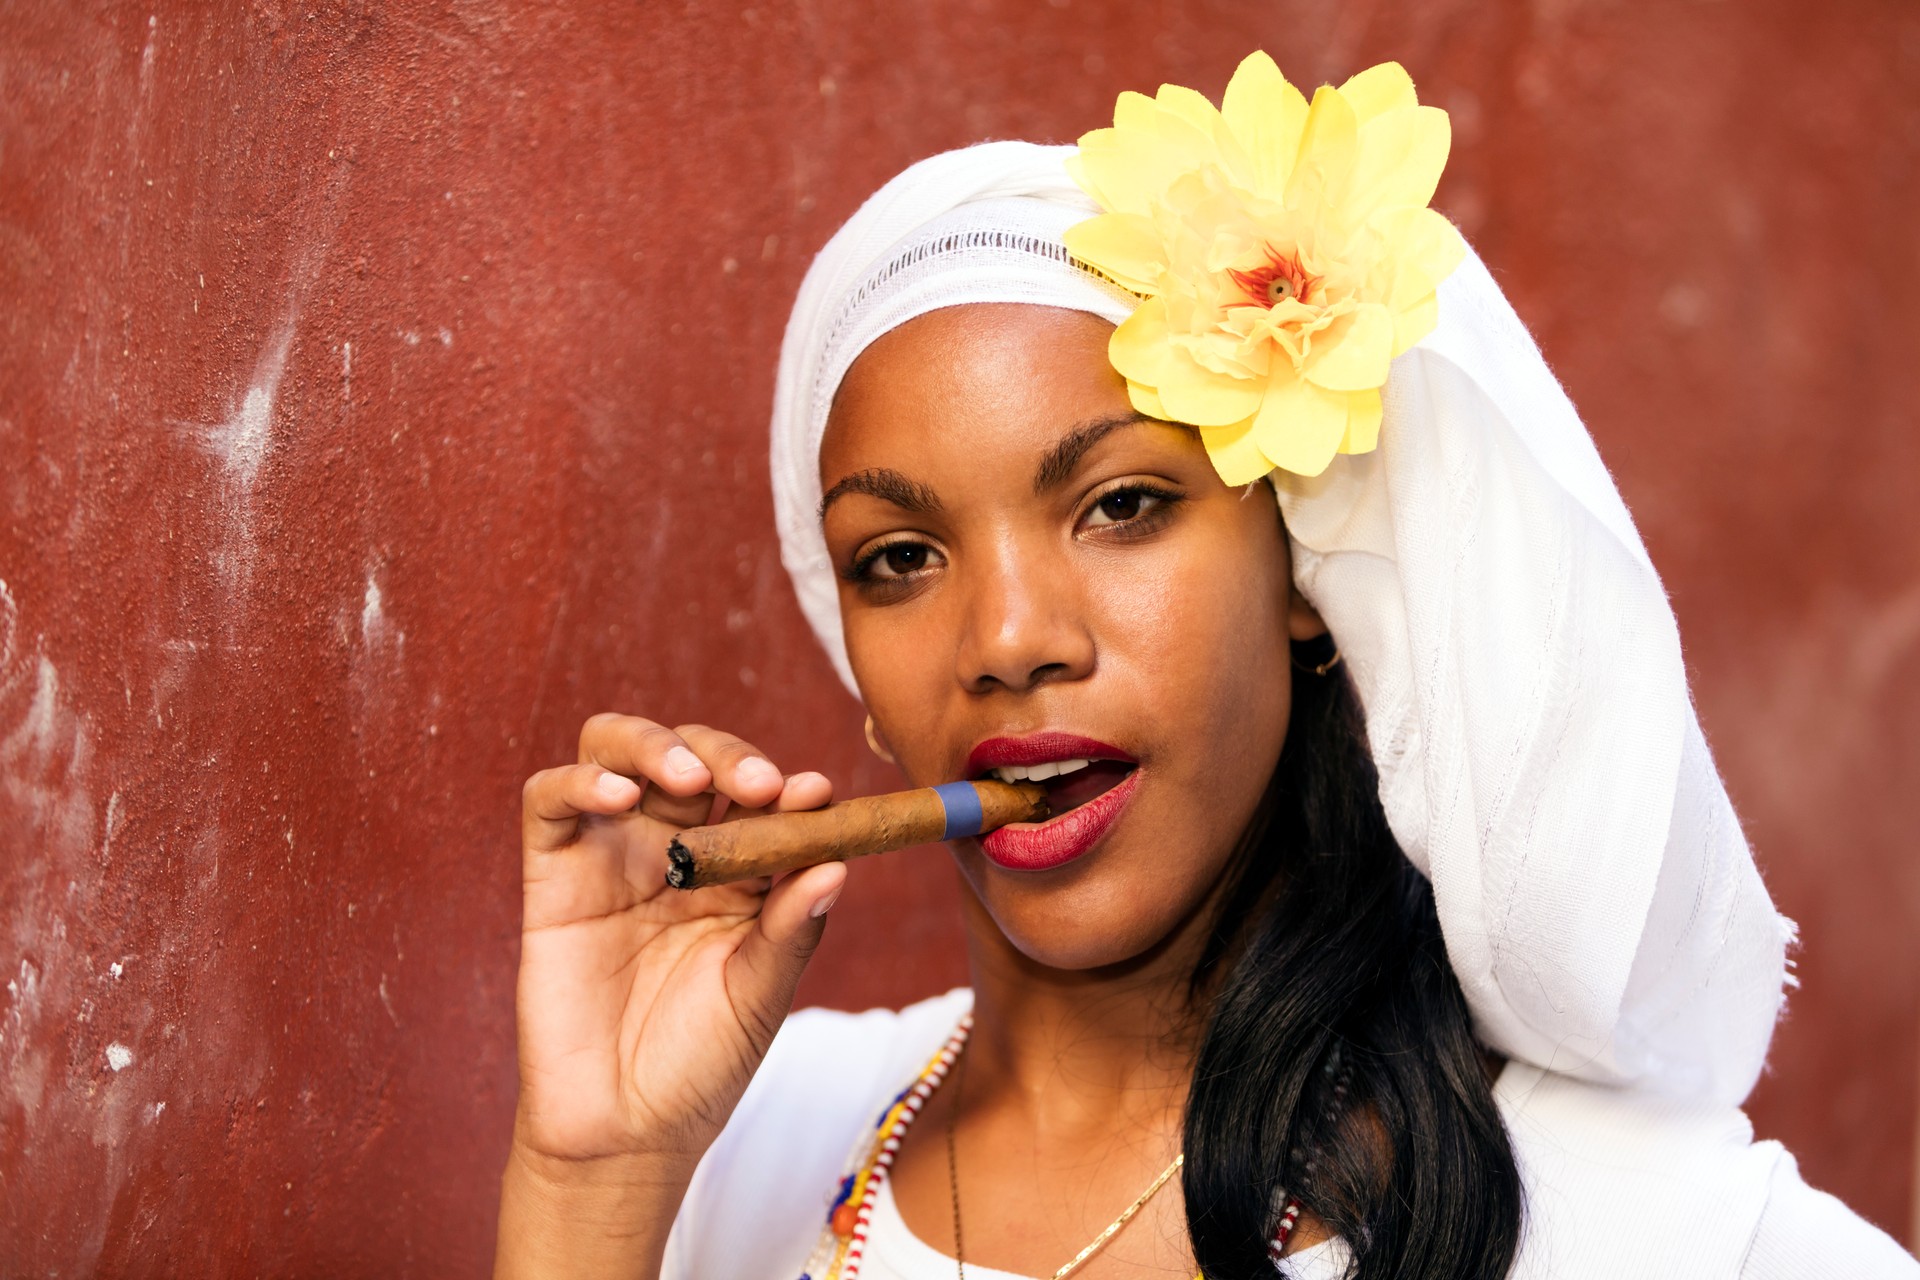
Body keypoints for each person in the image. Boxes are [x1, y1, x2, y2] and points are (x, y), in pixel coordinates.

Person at [494, 55, 1919, 1280]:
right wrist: (589, 1183)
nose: (1004, 642)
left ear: (1303, 571)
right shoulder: (732, 1142)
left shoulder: (1649, 1229)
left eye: (1121, 506)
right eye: (901, 559)